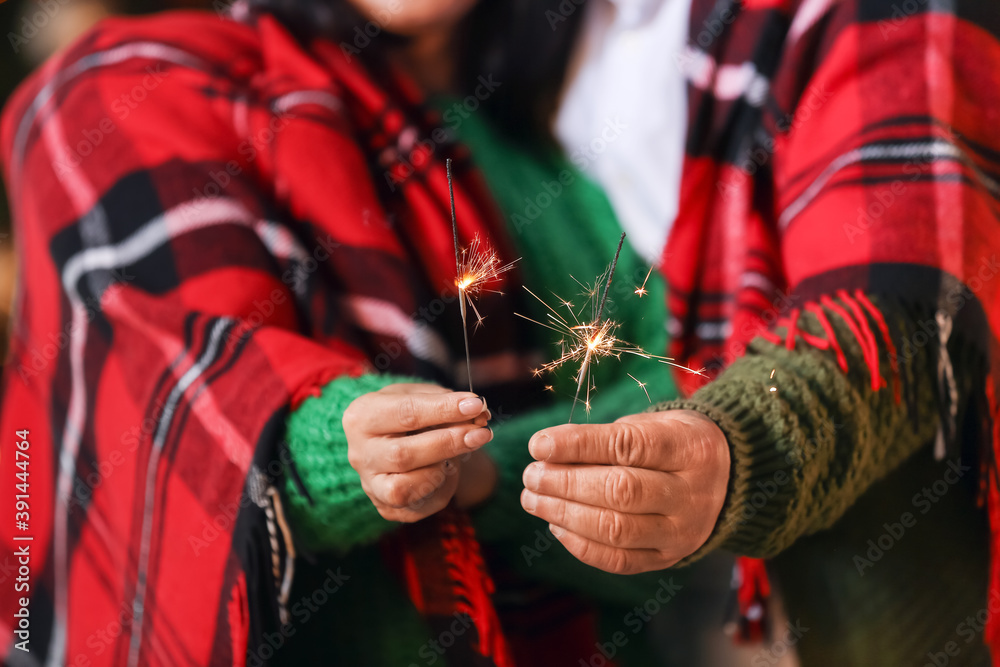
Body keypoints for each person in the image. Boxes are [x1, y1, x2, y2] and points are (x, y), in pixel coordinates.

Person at [0, 0, 715, 665]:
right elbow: (162, 393)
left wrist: (483, 474)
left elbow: (688, 403)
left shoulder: (566, 155)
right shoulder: (138, 83)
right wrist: (328, 448)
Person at [525, 0, 1000, 665]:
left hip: (865, 565)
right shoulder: (523, 32)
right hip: (669, 605)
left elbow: (899, 305)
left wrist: (735, 440)